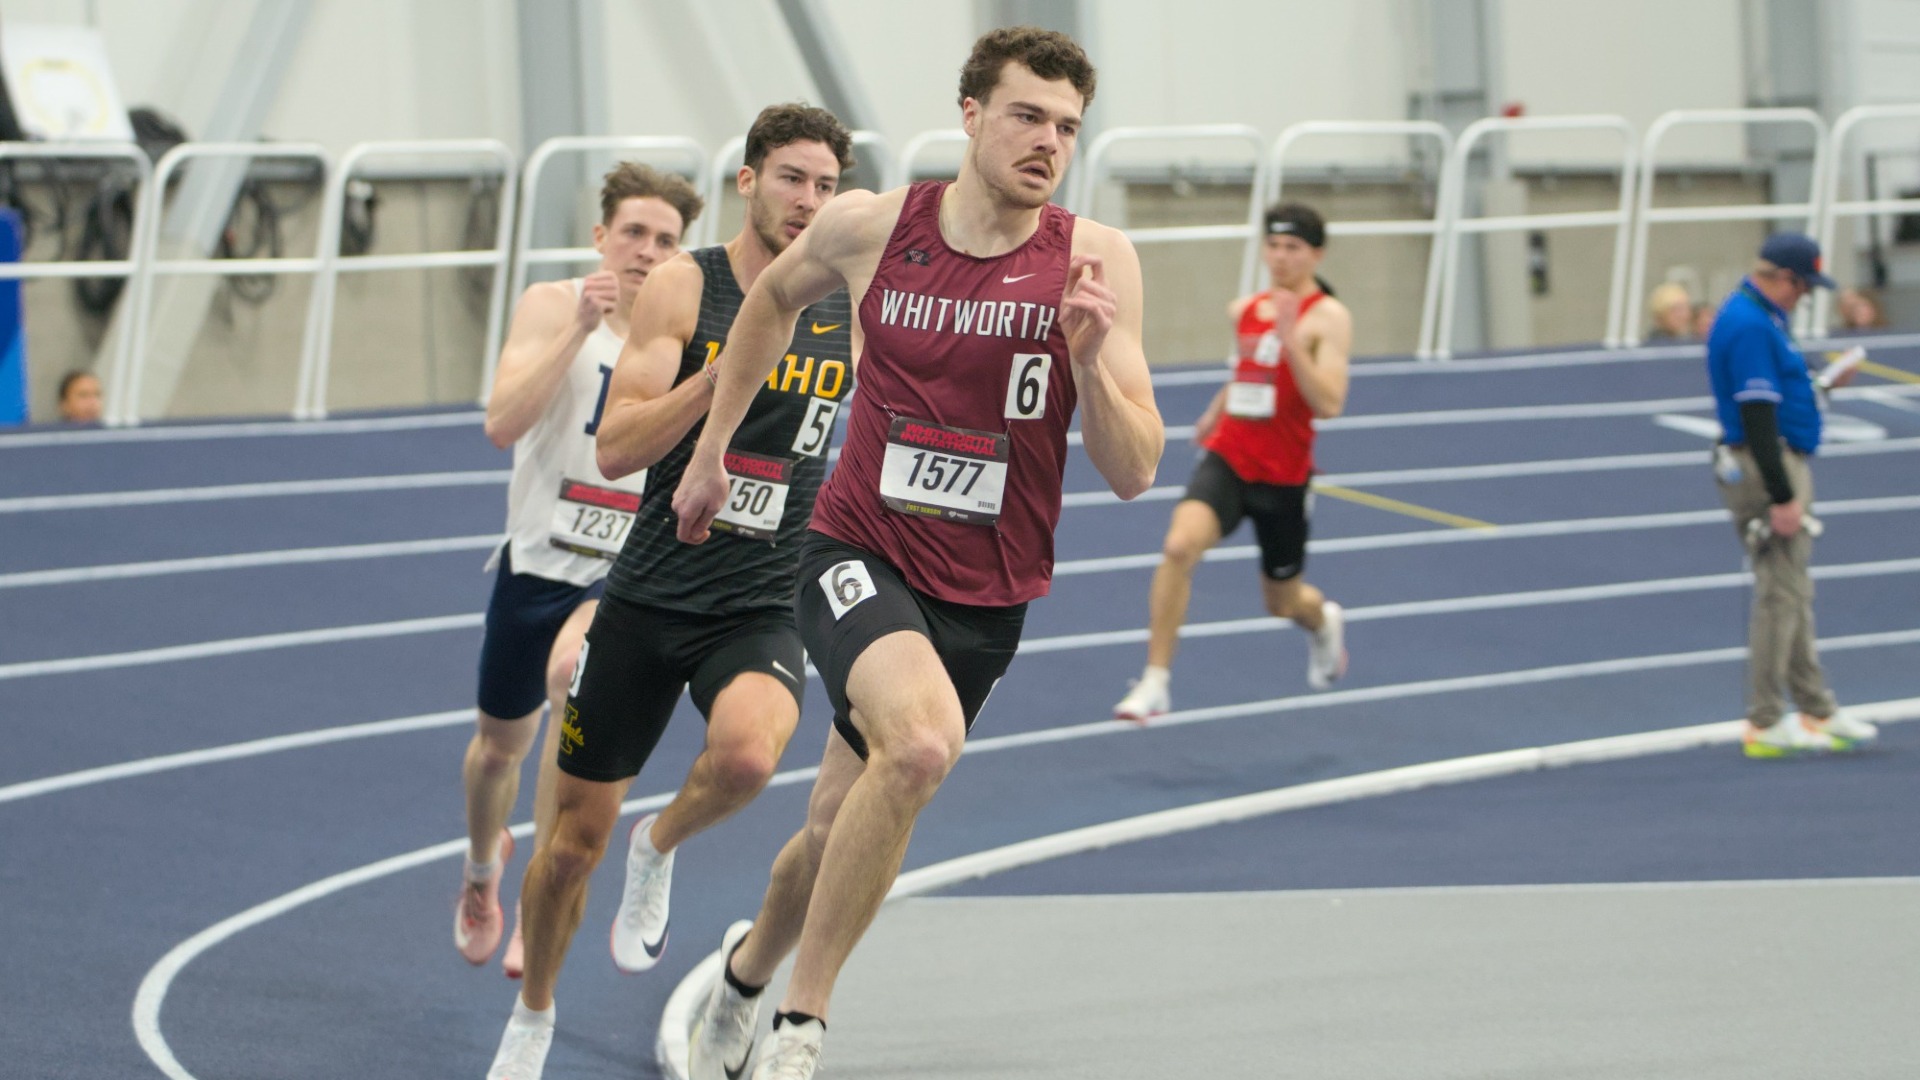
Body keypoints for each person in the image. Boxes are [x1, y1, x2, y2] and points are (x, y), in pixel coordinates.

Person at [670, 28, 1163, 1080]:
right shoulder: (871, 227)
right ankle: (801, 1027)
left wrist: (1090, 364)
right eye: (1028, 116)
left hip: (989, 588)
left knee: (839, 817)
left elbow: (1134, 469)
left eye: (1068, 126)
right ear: (972, 113)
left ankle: (748, 972)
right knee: (924, 747)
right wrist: (712, 451)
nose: (1048, 142)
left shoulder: (1095, 260)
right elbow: (765, 301)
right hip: (859, 543)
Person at [484, 103, 855, 1080]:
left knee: (744, 759)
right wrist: (719, 381)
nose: (807, 201)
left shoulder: (849, 297)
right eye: (791, 179)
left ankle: (663, 842)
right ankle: (533, 1013)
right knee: (567, 850)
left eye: (825, 185)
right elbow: (615, 445)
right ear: (749, 181)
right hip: (651, 593)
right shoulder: (691, 285)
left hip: (764, 593)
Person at [458, 162, 704, 980]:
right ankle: (482, 870)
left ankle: (538, 898)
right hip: (538, 559)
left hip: (623, 571)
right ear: (601, 236)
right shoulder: (551, 304)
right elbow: (501, 425)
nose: (647, 251)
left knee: (573, 680)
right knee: (498, 749)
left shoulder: (687, 328)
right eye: (633, 232)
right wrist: (577, 330)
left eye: (667, 240)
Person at [1112, 202, 1352, 723]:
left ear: (1316, 254)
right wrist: (1214, 412)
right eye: (1274, 246)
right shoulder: (1245, 308)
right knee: (1178, 546)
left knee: (1283, 603)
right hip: (1231, 456)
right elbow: (1248, 372)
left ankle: (1323, 621)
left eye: (1293, 248)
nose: (1281, 257)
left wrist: (1292, 339)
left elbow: (1329, 403)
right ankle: (1155, 680)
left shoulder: (1328, 319)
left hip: (1284, 476)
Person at [1705, 232, 1877, 758]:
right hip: (1768, 465)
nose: (1804, 299)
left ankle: (1815, 707)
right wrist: (1781, 496)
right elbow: (1756, 413)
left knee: (1794, 591)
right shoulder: (1752, 324)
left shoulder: (1763, 318)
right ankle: (1763, 719)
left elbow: (1778, 394)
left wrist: (1821, 388)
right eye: (1803, 289)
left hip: (1776, 456)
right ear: (1784, 278)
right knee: (1780, 594)